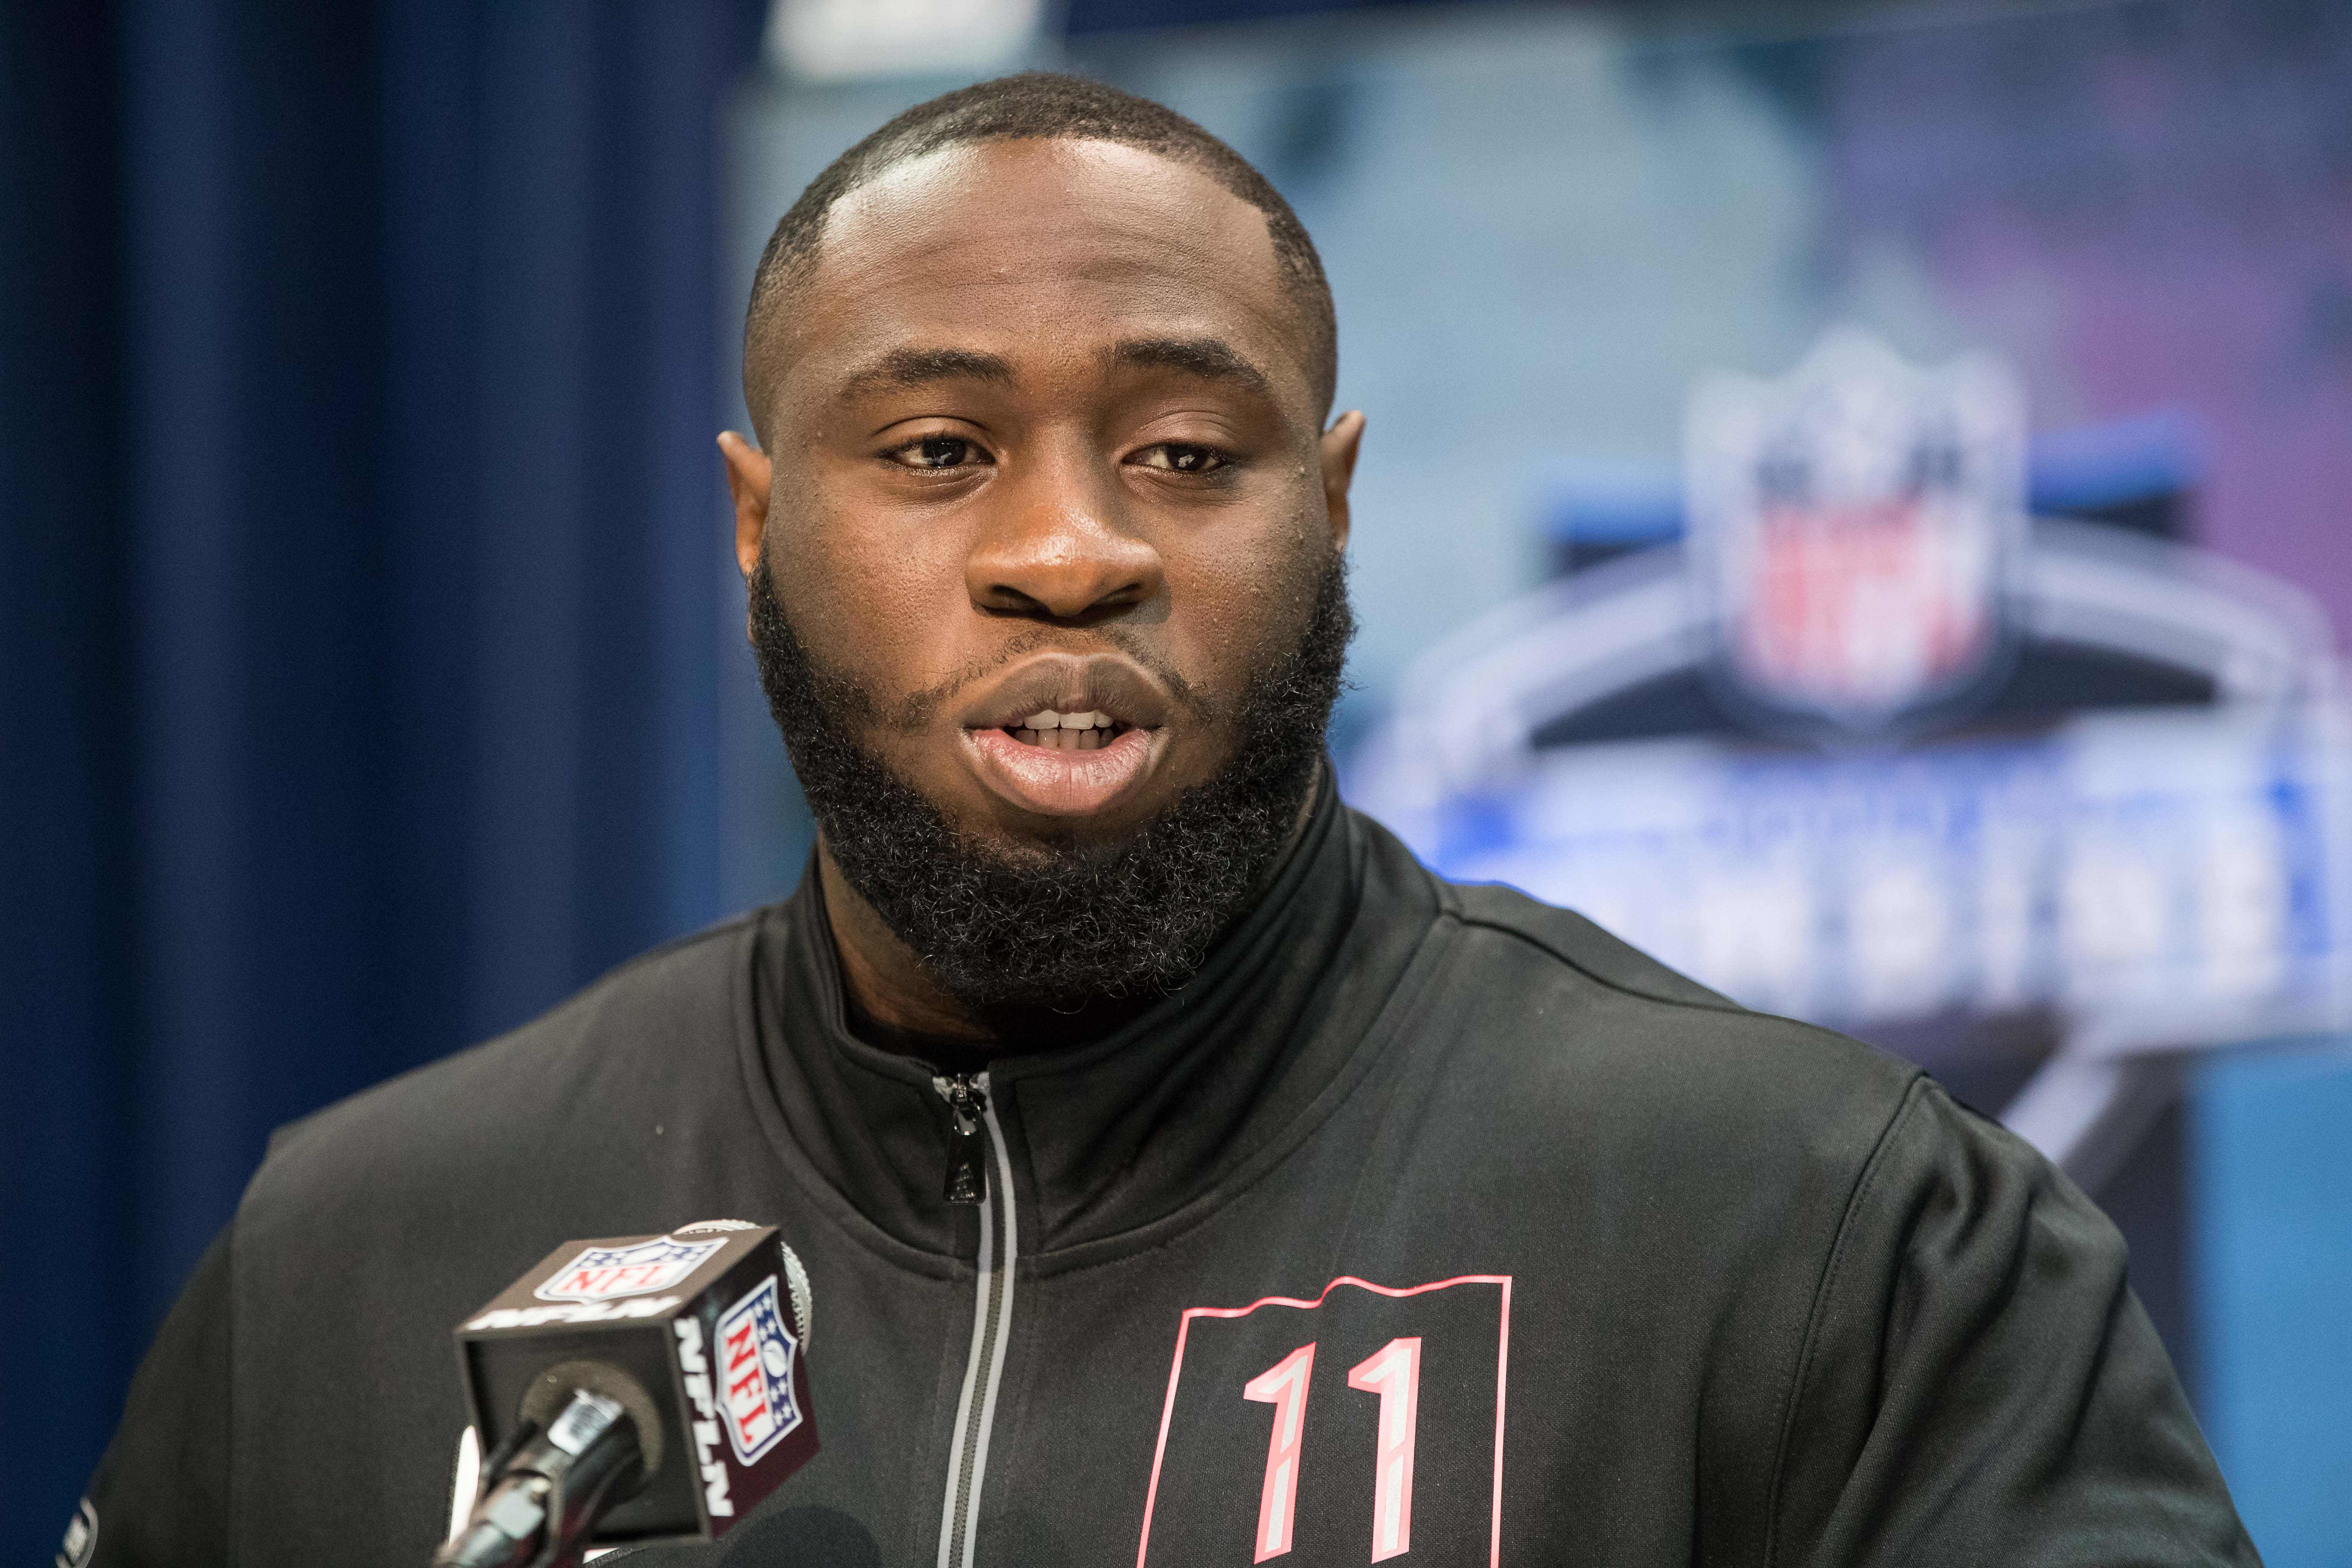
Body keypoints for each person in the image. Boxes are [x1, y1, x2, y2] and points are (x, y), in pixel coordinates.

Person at [73, 73, 2253, 1567]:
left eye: (1190, 456)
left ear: (1335, 502)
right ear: (756, 522)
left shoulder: (1824, 1231)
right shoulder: (356, 1257)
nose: (1068, 553)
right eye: (935, 452)